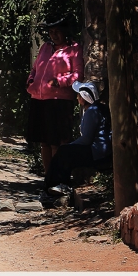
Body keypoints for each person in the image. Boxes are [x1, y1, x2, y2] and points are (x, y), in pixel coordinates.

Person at [26, 18, 81, 172]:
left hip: (59, 101)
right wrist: (30, 80)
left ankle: (58, 176)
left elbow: (78, 74)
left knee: (58, 142)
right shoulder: (45, 47)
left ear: (65, 31)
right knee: (45, 142)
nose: (54, 35)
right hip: (39, 99)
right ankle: (48, 177)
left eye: (57, 31)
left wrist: (60, 81)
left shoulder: (73, 49)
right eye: (51, 32)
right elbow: (35, 69)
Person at [46, 80, 112, 197]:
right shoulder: (100, 108)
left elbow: (86, 139)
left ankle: (58, 185)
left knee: (64, 151)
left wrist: (70, 146)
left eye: (78, 95)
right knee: (65, 151)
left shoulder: (91, 111)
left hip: (98, 153)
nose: (77, 98)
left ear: (83, 98)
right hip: (102, 151)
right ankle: (55, 185)